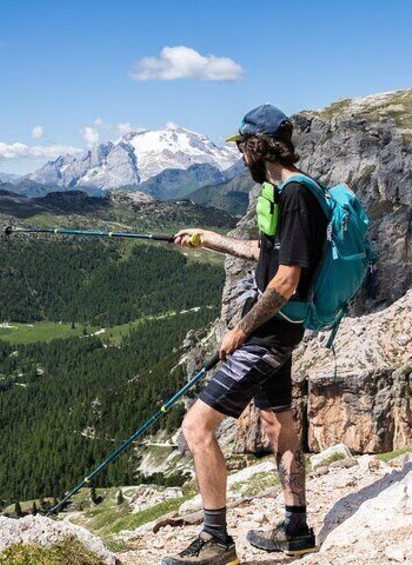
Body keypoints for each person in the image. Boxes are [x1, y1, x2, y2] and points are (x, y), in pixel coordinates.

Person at [161, 105, 327, 565]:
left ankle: (216, 542)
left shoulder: (293, 195)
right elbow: (267, 252)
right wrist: (211, 239)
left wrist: (241, 328)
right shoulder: (293, 190)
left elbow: (285, 280)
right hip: (282, 331)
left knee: (196, 428)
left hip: (267, 336)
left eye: (242, 147)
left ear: (258, 145)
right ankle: (297, 531)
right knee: (277, 421)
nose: (240, 158)